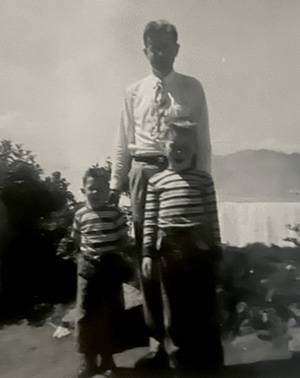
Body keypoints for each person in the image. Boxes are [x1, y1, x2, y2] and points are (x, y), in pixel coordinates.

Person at [109, 19, 212, 367]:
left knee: (183, 259)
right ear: (145, 50)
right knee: (148, 257)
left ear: (177, 49)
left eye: (167, 45)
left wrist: (202, 182)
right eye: (154, 46)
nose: (160, 52)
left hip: (182, 178)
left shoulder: (192, 88)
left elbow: (203, 142)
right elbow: (122, 142)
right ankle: (157, 343)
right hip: (142, 174)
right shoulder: (132, 91)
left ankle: (189, 341)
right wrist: (115, 184)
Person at [142, 121, 224, 372]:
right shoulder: (156, 182)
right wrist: (147, 252)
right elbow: (150, 220)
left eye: (185, 148)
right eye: (174, 146)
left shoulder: (203, 179)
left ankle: (209, 362)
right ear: (164, 148)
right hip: (170, 250)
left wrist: (216, 245)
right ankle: (179, 361)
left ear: (194, 150)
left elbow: (212, 214)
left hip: (200, 247)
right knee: (174, 309)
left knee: (204, 305)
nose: (179, 152)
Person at [71, 167, 129, 378]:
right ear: (83, 191)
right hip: (87, 268)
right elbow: (77, 240)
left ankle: (107, 359)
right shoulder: (79, 215)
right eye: (91, 189)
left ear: (108, 192)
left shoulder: (115, 213)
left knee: (110, 313)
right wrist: (88, 258)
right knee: (85, 314)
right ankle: (88, 360)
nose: (95, 193)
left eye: (100, 189)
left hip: (110, 268)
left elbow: (123, 239)